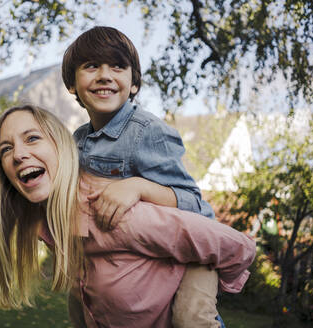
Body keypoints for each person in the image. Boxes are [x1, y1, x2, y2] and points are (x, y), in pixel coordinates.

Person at [0, 105, 256, 328]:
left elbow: (235, 245)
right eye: (5, 149)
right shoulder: (46, 223)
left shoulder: (115, 213)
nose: (19, 154)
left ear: (61, 147)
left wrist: (208, 289)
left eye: (32, 138)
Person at [62, 26, 222, 327]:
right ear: (72, 84)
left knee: (191, 320)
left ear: (133, 84)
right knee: (80, 307)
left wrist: (137, 186)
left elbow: (197, 207)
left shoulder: (147, 131)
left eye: (117, 66)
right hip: (138, 254)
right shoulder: (77, 142)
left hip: (192, 256)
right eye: (92, 66)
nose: (105, 75)